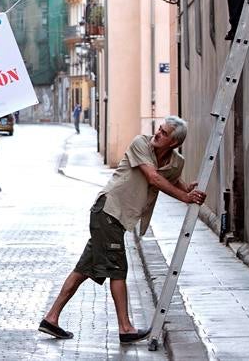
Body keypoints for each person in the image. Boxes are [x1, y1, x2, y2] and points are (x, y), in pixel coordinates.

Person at [38, 116, 206, 344]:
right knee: (118, 270)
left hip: (117, 218)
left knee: (83, 269)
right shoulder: (141, 144)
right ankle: (125, 328)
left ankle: (51, 318)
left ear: (174, 143)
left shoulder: (176, 161)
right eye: (159, 129)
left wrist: (188, 189)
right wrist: (185, 198)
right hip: (108, 211)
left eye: (164, 133)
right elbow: (154, 178)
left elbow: (171, 178)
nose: (158, 133)